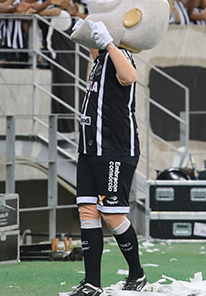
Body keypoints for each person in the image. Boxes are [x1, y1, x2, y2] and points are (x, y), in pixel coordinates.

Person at [70, 20, 145, 296]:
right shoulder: (100, 58)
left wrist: (110, 43)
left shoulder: (120, 53)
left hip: (115, 148)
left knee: (112, 214)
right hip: (90, 148)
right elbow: (91, 44)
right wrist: (83, 26)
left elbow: (129, 76)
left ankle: (137, 273)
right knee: (87, 211)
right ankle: (92, 283)